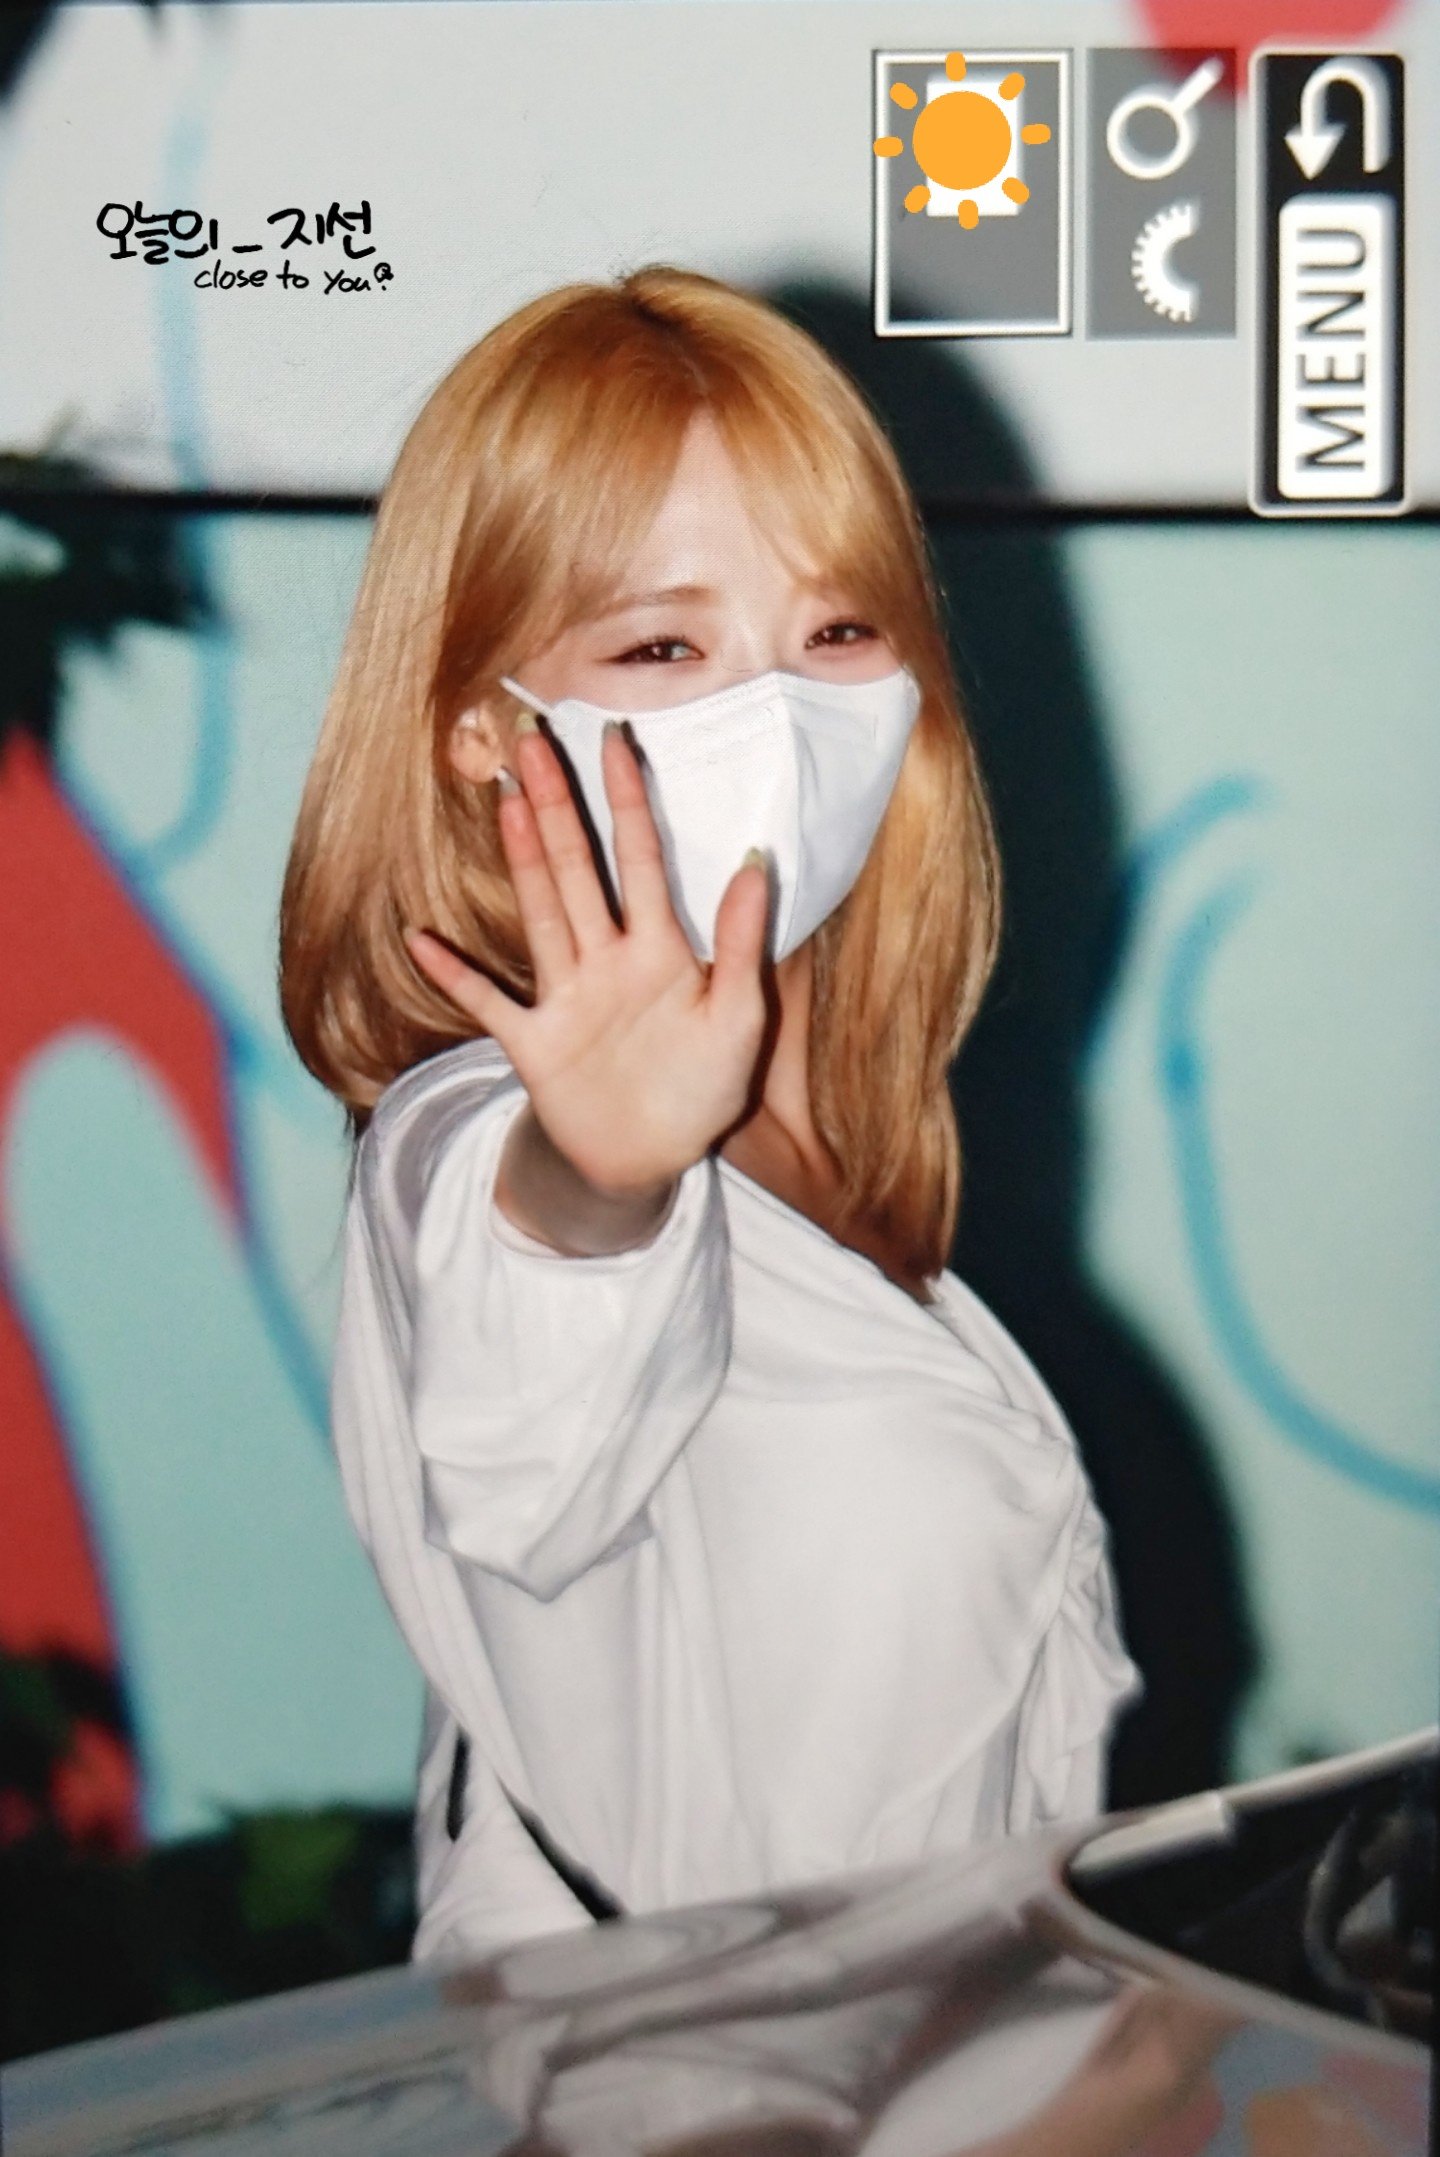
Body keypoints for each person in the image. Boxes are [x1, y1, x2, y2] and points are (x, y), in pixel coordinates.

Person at [278, 264, 1143, 1970]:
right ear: (479, 726)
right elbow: (519, 1416)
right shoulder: (474, 1127)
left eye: (838, 630)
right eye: (664, 645)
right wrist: (592, 1177)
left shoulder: (851, 1164)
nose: (780, 707)